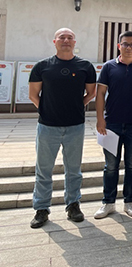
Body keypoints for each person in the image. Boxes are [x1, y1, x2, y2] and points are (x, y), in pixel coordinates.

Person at [28, 28, 96, 228]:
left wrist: (76, 106)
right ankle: (41, 209)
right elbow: (33, 94)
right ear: (54, 41)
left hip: (75, 126)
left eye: (70, 37)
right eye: (62, 37)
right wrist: (47, 109)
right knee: (43, 170)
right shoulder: (42, 66)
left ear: (75, 42)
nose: (66, 40)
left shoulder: (85, 66)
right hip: (47, 126)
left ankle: (73, 205)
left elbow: (91, 93)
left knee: (74, 170)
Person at [94, 31, 132, 219]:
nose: (128, 47)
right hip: (111, 123)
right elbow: (100, 93)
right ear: (119, 46)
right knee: (111, 165)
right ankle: (108, 202)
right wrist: (100, 119)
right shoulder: (109, 67)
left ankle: (130, 202)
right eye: (125, 44)